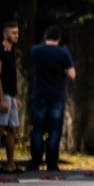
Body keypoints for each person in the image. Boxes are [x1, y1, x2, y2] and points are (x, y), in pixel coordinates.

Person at [28, 26, 76, 172]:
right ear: (59, 38)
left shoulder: (36, 50)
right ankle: (51, 162)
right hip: (56, 95)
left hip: (39, 93)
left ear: (45, 36)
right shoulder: (63, 52)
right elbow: (72, 74)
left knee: (37, 129)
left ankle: (35, 162)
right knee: (54, 130)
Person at [0, 21, 21, 173]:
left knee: (13, 129)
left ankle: (10, 164)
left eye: (17, 32)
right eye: (13, 32)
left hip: (12, 95)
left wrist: (17, 96)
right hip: (3, 95)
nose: (16, 35)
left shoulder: (12, 52)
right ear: (5, 33)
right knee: (1, 128)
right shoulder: (1, 51)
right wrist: (1, 98)